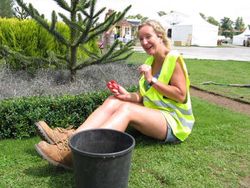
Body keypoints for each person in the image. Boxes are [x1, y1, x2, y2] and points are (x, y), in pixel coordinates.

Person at [35, 20, 195, 170]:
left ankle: (79, 155)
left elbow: (180, 95)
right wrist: (126, 95)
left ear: (159, 36)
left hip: (174, 122)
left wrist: (151, 80)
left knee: (127, 111)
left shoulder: (174, 59)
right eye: (141, 39)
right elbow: (142, 96)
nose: (144, 42)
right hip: (155, 113)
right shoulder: (149, 62)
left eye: (148, 37)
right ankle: (72, 139)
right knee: (114, 100)